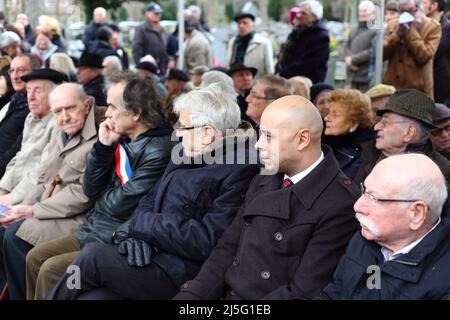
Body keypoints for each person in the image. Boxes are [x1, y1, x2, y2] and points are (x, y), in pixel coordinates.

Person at [47, 84, 261, 300]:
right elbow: (148, 202)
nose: (176, 134)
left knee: (92, 257)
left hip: (181, 272)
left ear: (207, 134)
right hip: (150, 256)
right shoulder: (186, 153)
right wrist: (133, 236)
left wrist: (146, 229)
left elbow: (205, 239)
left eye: (183, 127)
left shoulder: (240, 169)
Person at [174, 95, 360, 300]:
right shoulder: (264, 179)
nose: (258, 145)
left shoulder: (340, 203)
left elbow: (304, 292)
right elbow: (227, 248)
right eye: (260, 135)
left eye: (268, 136)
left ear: (302, 139)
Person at [26, 72, 173, 300]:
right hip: (97, 227)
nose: (107, 113)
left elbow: (120, 206)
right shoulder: (122, 137)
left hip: (117, 236)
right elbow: (90, 188)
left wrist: (103, 194)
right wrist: (103, 147)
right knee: (35, 257)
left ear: (136, 113)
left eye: (113, 107)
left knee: (50, 269)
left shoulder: (159, 149)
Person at [0, 82, 98, 299]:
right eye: (58, 112)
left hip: (76, 217)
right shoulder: (60, 134)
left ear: (87, 105)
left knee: (13, 237)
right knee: (7, 228)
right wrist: (17, 208)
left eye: (70, 108)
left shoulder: (97, 141)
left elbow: (82, 195)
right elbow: (43, 178)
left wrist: (32, 210)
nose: (65, 117)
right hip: (48, 209)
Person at [319, 153, 450, 299]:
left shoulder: (443, 284)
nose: (357, 206)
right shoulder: (366, 238)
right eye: (364, 190)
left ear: (416, 213)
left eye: (373, 198)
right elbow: (335, 292)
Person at [354, 89, 450, 195]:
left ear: (409, 132)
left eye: (385, 122)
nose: (376, 127)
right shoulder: (368, 153)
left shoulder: (440, 172)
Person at [0, 69, 65, 207]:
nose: (31, 96)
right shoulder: (31, 117)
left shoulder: (59, 123)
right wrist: (2, 189)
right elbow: (19, 158)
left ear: (55, 96)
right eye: (29, 90)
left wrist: (11, 198)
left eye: (37, 91)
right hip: (15, 192)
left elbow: (43, 170)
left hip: (32, 199)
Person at [383, 0, 441, 98]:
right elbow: (382, 55)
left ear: (419, 9)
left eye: (410, 11)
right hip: (393, 88)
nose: (406, 15)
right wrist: (396, 35)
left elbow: (425, 56)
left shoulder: (432, 27)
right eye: (402, 11)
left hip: (418, 91)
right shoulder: (393, 25)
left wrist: (411, 31)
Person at [0, 54, 41, 178]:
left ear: (35, 72)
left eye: (21, 70)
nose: (14, 76)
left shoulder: (35, 104)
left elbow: (19, 148)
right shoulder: (14, 96)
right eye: (11, 71)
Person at [323, 89, 375, 180]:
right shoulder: (321, 143)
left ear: (353, 124)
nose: (327, 118)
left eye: (335, 115)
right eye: (328, 112)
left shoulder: (365, 155)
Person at [276, 0, 330, 83]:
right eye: (299, 12)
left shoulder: (321, 36)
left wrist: (284, 73)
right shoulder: (297, 31)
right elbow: (285, 54)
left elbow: (308, 63)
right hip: (287, 78)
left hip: (306, 84)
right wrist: (278, 70)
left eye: (303, 13)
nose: (298, 15)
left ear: (314, 17)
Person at [421, 0, 450, 106]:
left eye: (424, 3)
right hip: (423, 82)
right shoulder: (423, 24)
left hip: (438, 84)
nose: (421, 6)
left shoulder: (447, 27)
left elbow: (434, 52)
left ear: (434, 6)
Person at [227, 12, 273, 78]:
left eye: (245, 23)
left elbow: (269, 69)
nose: (241, 26)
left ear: (253, 25)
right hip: (236, 83)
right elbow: (229, 63)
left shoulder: (263, 42)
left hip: (257, 84)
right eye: (239, 23)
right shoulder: (233, 42)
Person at [345, 0, 377, 91]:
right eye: (360, 11)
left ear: (373, 12)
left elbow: (373, 51)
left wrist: (353, 60)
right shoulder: (354, 28)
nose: (361, 14)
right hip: (351, 76)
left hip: (366, 77)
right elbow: (347, 45)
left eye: (365, 11)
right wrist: (348, 59)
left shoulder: (376, 29)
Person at [132, 2, 168, 75]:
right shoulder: (141, 29)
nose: (158, 16)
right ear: (148, 14)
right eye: (156, 13)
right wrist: (141, 67)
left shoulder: (161, 29)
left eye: (159, 13)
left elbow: (164, 49)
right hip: (147, 70)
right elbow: (136, 49)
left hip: (161, 69)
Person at [227, 62, 256, 127]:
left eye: (248, 74)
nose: (246, 78)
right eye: (240, 75)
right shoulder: (227, 99)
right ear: (231, 79)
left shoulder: (257, 97)